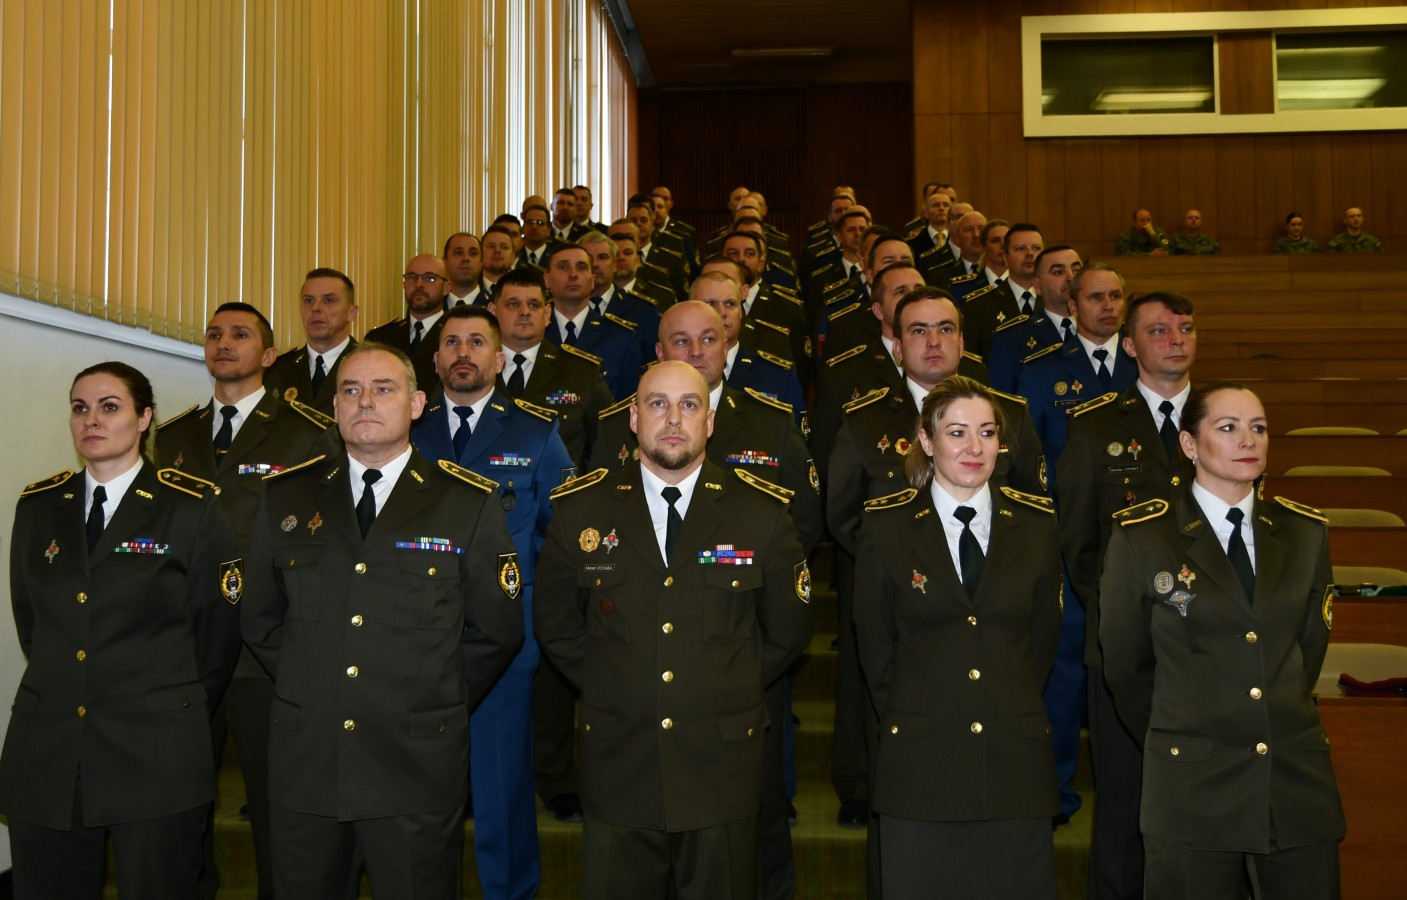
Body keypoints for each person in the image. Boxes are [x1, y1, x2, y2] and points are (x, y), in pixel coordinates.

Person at [242, 343, 523, 899]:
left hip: (414, 763)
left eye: (383, 389)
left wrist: (431, 697)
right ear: (335, 407)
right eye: (350, 390)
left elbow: (497, 630)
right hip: (310, 759)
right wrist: (314, 682)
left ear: (417, 405)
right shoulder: (286, 497)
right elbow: (260, 619)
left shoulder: (465, 502)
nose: (364, 401)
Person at [534, 360, 813, 900]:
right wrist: (619, 683)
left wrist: (718, 685)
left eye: (689, 405)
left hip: (720, 765)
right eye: (657, 404)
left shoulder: (761, 512)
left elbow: (787, 631)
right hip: (620, 761)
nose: (673, 419)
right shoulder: (580, 510)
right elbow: (557, 625)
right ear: (634, 418)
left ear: (710, 421)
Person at [1, 362, 241, 899]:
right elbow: (33, 623)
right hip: (51, 748)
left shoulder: (191, 506)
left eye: (109, 407)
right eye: (80, 408)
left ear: (144, 418)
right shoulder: (39, 507)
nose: (92, 419)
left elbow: (216, 636)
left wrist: (164, 700)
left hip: (153, 747)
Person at [1100, 383, 1345, 899]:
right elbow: (1125, 665)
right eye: (1228, 427)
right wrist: (1186, 733)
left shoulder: (1304, 532)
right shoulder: (1145, 536)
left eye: (1258, 428)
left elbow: (1305, 650)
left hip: (1292, 781)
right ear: (1190, 444)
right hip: (1192, 784)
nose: (1247, 440)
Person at [852, 375, 1062, 900]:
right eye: (958, 432)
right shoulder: (886, 527)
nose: (975, 448)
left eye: (987, 433)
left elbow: (1039, 647)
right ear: (927, 440)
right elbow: (876, 652)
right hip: (921, 766)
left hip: (1014, 763)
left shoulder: (1036, 525)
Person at [154, 302, 332, 900]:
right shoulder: (174, 436)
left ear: (270, 354)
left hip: (266, 641)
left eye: (239, 334)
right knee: (180, 793)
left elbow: (322, 535)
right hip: (186, 641)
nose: (223, 343)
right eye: (214, 334)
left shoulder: (305, 431)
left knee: (273, 794)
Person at [412, 306, 574, 900]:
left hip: (504, 638)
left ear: (499, 359)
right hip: (414, 635)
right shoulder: (406, 428)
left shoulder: (536, 432)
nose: (463, 352)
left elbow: (561, 537)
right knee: (416, 787)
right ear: (435, 360)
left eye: (477, 342)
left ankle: (510, 892)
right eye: (452, 342)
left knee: (502, 785)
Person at [1056, 291, 1198, 900]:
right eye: (1159, 330)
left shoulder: (1222, 420)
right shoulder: (1094, 426)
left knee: (1204, 802)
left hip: (1209, 643)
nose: (1176, 339)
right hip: (1123, 647)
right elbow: (1078, 542)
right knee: (1124, 803)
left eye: (1185, 328)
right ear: (1131, 345)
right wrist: (1129, 613)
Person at [265, 267, 359, 413]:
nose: (315, 308)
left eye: (329, 300)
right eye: (308, 300)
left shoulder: (372, 366)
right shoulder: (276, 371)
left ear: (351, 313)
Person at [365, 253, 453, 393]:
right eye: (412, 277)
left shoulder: (456, 336)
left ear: (446, 288)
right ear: (404, 285)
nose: (419, 284)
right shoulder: (380, 338)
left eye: (429, 278)